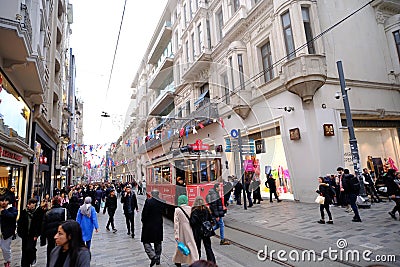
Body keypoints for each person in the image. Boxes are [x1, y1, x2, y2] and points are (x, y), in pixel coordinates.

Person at [41, 197, 69, 267]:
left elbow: (44, 225)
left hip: (50, 234)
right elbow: (68, 223)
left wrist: (43, 238)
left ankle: (50, 263)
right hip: (61, 234)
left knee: (50, 248)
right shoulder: (64, 211)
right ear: (60, 202)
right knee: (61, 248)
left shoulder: (47, 212)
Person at [172, 195, 199, 267]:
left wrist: (176, 234)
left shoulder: (177, 210)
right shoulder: (190, 208)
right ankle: (194, 260)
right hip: (189, 230)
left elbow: (176, 223)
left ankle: (178, 261)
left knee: (180, 246)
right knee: (191, 245)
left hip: (181, 230)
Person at [141, 190, 165, 266]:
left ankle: (153, 256)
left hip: (149, 225)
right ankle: (158, 258)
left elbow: (144, 213)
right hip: (158, 225)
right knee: (158, 242)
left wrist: (143, 221)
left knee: (145, 241)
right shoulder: (162, 201)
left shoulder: (148, 201)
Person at [190, 196, 216, 264]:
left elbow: (192, 222)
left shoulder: (194, 211)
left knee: (197, 248)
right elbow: (212, 219)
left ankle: (198, 261)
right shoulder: (206, 209)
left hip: (197, 232)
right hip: (206, 231)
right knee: (208, 247)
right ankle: (212, 261)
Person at [17, 198, 42, 267]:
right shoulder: (24, 212)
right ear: (29, 204)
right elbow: (20, 223)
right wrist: (20, 233)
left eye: (34, 205)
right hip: (25, 235)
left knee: (30, 249)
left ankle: (32, 259)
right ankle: (25, 264)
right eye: (32, 204)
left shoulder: (37, 213)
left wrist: (37, 234)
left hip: (33, 235)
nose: (33, 206)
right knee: (24, 250)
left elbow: (39, 225)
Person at [0, 194, 18, 267]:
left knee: (5, 249)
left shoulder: (12, 209)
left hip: (7, 233)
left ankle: (7, 261)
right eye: (2, 201)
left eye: (6, 200)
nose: (4, 202)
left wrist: (3, 212)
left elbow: (12, 216)